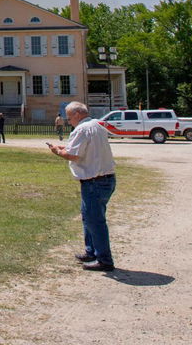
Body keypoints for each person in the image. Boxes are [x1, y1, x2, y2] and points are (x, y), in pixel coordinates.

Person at [46, 101, 116, 272]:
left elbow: (72, 155)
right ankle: (91, 251)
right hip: (105, 179)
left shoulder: (81, 129)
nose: (69, 121)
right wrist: (64, 147)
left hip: (94, 181)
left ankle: (104, 259)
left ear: (77, 114)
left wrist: (57, 151)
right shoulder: (96, 126)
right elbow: (84, 149)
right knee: (88, 217)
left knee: (95, 220)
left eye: (69, 118)